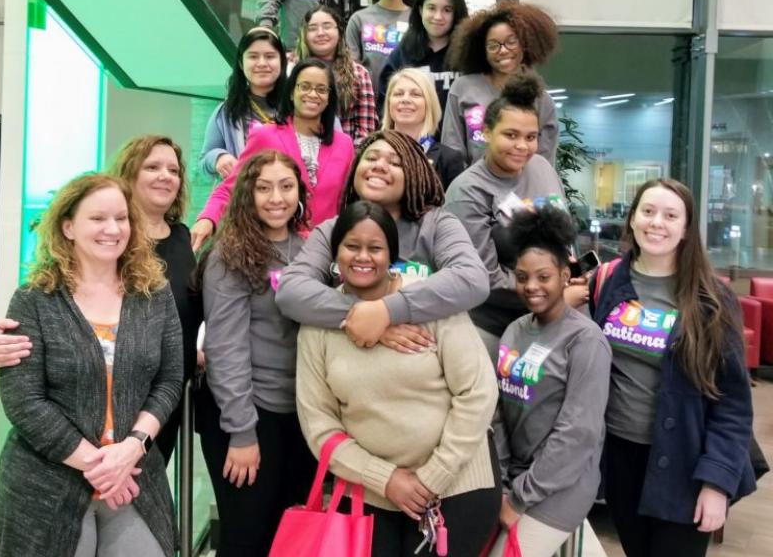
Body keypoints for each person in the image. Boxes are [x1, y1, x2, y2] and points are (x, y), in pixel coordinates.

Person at [0, 173, 182, 556]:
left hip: (135, 476)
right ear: (68, 227)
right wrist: (100, 465)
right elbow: (24, 402)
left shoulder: (154, 294)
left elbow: (170, 379)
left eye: (122, 218)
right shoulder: (34, 300)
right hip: (48, 484)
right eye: (98, 218)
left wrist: (132, 448)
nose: (113, 229)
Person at [296, 200, 500, 556]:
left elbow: (477, 391)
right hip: (370, 493)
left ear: (392, 254)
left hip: (458, 486)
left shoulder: (428, 303)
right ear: (335, 253)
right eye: (352, 246)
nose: (363, 257)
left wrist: (430, 478)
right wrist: (385, 479)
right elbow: (320, 426)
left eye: (375, 248)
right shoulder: (319, 323)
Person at [0, 136, 200, 466]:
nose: (165, 175)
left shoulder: (182, 241)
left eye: (173, 169)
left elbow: (190, 312)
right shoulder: (46, 290)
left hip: (154, 403)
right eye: (153, 166)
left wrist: (191, 350)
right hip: (71, 446)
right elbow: (27, 388)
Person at [588, 178, 756, 557]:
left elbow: (732, 403)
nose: (656, 223)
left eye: (670, 215)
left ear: (685, 228)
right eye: (647, 212)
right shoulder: (608, 281)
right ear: (631, 219)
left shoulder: (712, 298)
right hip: (620, 460)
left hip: (685, 463)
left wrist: (716, 483)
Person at [275, 129, 489, 354]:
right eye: (371, 158)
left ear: (415, 174)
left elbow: (473, 278)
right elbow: (290, 291)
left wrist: (388, 311)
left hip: (425, 365)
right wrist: (363, 316)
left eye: (395, 163)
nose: (379, 166)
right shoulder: (331, 230)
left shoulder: (437, 225)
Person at [198, 151, 316, 556]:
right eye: (263, 188)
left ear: (300, 191)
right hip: (247, 416)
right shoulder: (228, 254)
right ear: (246, 194)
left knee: (290, 538)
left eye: (286, 186)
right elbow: (225, 347)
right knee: (247, 539)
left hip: (300, 416)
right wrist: (242, 431)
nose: (275, 198)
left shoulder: (311, 249)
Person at [493, 206, 611, 557]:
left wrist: (519, 497)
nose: (531, 286)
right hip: (515, 479)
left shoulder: (586, 341)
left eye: (543, 277)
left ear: (564, 275)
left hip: (562, 486)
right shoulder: (514, 331)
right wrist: (501, 483)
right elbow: (499, 413)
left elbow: (578, 434)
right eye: (522, 276)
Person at [444, 73, 569, 356]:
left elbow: (563, 233)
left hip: (551, 322)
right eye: (510, 135)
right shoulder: (467, 191)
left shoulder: (541, 168)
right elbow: (483, 277)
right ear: (486, 133)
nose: (522, 146)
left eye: (531, 137)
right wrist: (554, 293)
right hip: (493, 330)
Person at [190, 58, 355, 251]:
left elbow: (347, 203)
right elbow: (232, 186)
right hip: (272, 250)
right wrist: (208, 218)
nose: (312, 94)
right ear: (292, 92)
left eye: (321, 89)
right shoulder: (265, 135)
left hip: (324, 252)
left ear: (329, 97)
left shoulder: (344, 145)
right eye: (305, 86)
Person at [441, 0, 559, 165]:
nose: (502, 50)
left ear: (525, 45)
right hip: (472, 186)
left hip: (524, 188)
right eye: (493, 45)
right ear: (482, 50)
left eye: (511, 42)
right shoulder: (463, 88)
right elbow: (452, 150)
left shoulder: (541, 99)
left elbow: (544, 162)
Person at [199, 28, 287, 181]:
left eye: (270, 56)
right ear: (241, 62)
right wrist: (218, 158)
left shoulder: (299, 104)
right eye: (253, 56)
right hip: (243, 199)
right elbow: (203, 162)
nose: (261, 63)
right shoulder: (227, 111)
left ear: (282, 61)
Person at [377, 0, 468, 121]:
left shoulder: (468, 54)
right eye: (431, 8)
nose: (438, 17)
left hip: (459, 139)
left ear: (456, 14)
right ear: (420, 10)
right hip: (412, 139)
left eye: (447, 10)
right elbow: (385, 101)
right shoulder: (403, 53)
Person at [295, 5, 378, 146]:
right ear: (304, 35)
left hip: (345, 156)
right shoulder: (293, 70)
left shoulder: (358, 73)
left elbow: (366, 129)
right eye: (313, 28)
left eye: (327, 26)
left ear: (339, 31)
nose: (320, 33)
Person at [380, 68, 466, 189]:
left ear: (429, 104)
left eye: (415, 94)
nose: (405, 99)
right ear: (389, 103)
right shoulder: (371, 150)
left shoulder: (448, 159)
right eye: (398, 94)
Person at [345, 0, 419, 94]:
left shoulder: (416, 20)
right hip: (366, 100)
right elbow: (352, 67)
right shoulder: (358, 19)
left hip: (403, 99)